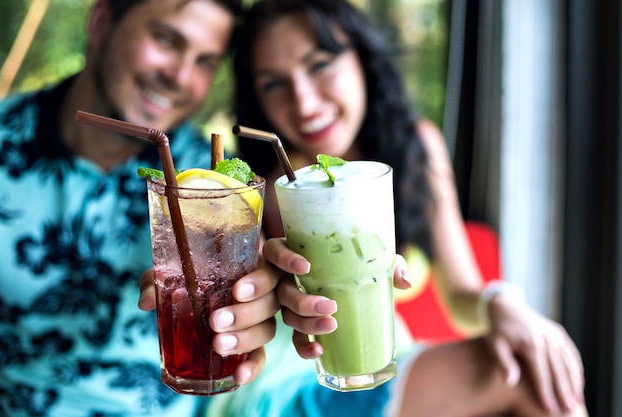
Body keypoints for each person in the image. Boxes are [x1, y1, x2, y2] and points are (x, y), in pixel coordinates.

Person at [231, 0, 589, 416]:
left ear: (363, 60)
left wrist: (504, 303)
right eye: (274, 84)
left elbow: (460, 295)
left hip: (388, 363)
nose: (305, 102)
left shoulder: (416, 149)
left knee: (538, 374)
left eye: (320, 64)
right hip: (294, 381)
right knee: (530, 379)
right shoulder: (276, 186)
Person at [0, 0, 300, 415]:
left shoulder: (213, 179)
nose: (179, 76)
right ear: (101, 21)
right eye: (165, 39)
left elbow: (253, 276)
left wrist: (251, 307)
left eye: (205, 62)